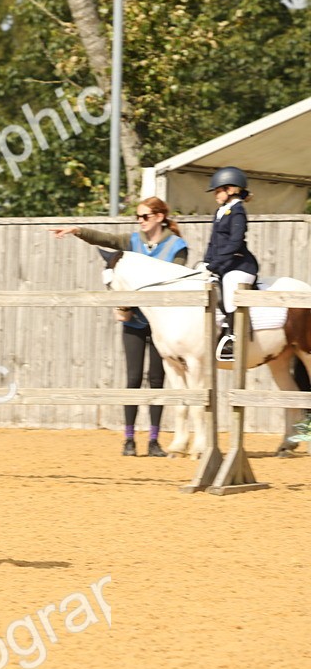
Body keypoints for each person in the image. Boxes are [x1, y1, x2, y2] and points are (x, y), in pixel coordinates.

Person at [50, 197, 188, 457]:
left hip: (161, 324)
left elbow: (176, 283)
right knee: (133, 378)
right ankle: (129, 438)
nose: (140, 221)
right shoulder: (133, 241)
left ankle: (154, 439)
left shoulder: (176, 247)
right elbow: (107, 239)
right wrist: (77, 230)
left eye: (145, 216)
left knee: (156, 380)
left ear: (159, 217)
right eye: (138, 216)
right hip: (135, 321)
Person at [201, 166, 258, 362]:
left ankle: (234, 336)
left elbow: (235, 243)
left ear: (231, 189)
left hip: (240, 266)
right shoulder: (220, 211)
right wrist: (206, 262)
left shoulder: (238, 212)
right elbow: (213, 242)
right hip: (223, 264)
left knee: (230, 282)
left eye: (218, 190)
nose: (215, 195)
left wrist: (214, 265)